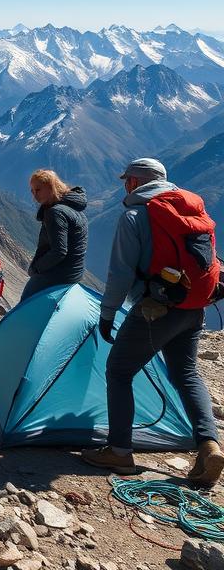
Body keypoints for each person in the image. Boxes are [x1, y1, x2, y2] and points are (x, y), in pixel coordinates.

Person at [81, 158, 224, 486]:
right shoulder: (191, 210)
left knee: (119, 371)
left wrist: (107, 315)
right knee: (186, 373)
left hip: (156, 309)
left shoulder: (134, 216)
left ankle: (118, 451)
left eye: (126, 180)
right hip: (194, 306)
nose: (124, 186)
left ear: (133, 183)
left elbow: (119, 274)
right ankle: (208, 445)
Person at [20, 170, 88, 302]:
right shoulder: (74, 207)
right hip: (74, 273)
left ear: (51, 187)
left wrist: (36, 268)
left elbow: (59, 251)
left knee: (27, 303)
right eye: (32, 191)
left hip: (56, 274)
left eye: (38, 190)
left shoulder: (55, 213)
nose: (35, 195)